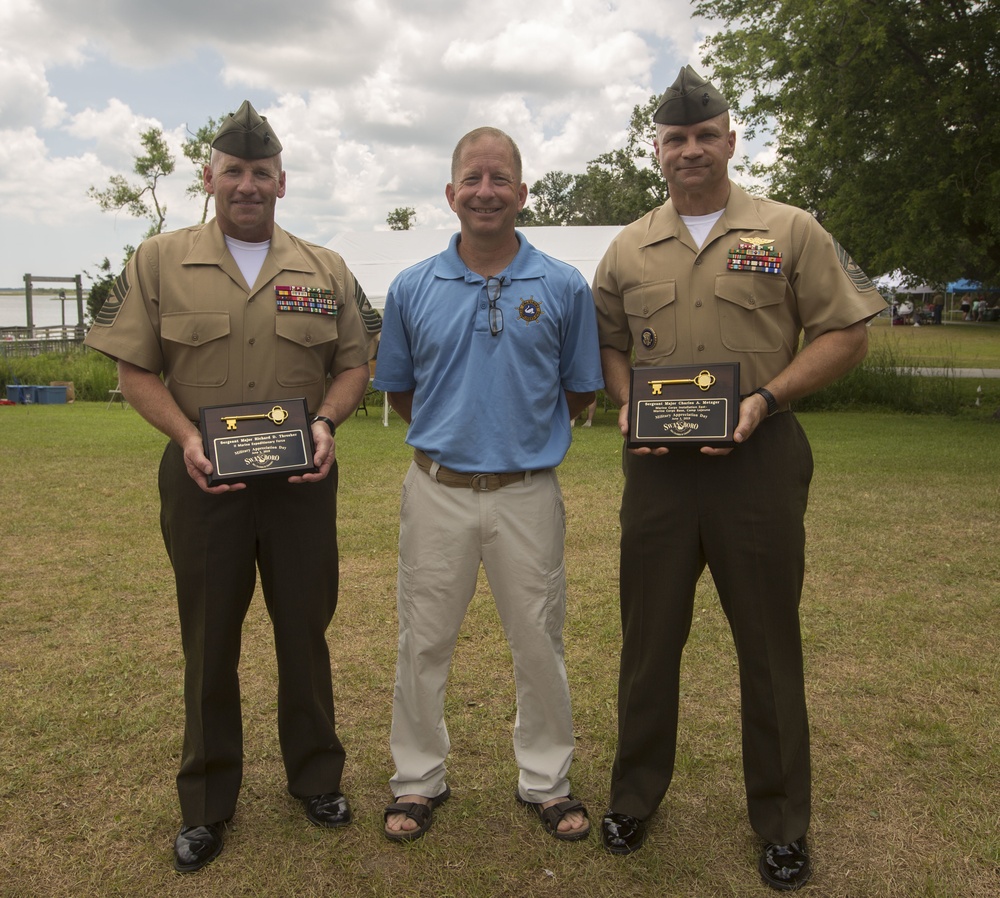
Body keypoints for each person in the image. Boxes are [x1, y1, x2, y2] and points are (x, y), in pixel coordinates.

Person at [592, 67, 886, 891]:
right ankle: (635, 797)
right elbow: (609, 342)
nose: (690, 150)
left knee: (767, 645)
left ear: (730, 137)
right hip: (655, 469)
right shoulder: (628, 245)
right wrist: (625, 403)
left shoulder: (790, 230)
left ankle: (784, 821)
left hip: (759, 462)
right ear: (658, 150)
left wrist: (765, 397)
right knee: (648, 644)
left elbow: (847, 333)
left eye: (703, 135)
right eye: (675, 139)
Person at [84, 101, 376, 873]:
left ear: (282, 181)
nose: (248, 184)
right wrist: (186, 439)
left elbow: (354, 363)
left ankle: (316, 778)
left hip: (301, 482)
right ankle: (207, 803)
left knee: (304, 634)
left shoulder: (324, 268)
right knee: (209, 642)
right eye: (234, 171)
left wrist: (328, 424)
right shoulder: (159, 260)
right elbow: (133, 369)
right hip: (201, 482)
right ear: (209, 178)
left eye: (262, 172)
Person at [373, 126, 604, 844]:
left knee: (539, 641)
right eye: (472, 179)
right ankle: (417, 781)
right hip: (435, 488)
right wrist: (458, 438)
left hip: (527, 492)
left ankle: (545, 780)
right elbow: (404, 391)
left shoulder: (563, 284)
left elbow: (579, 391)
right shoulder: (412, 286)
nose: (485, 191)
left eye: (500, 178)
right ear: (450, 194)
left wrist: (519, 443)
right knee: (423, 642)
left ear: (523, 192)